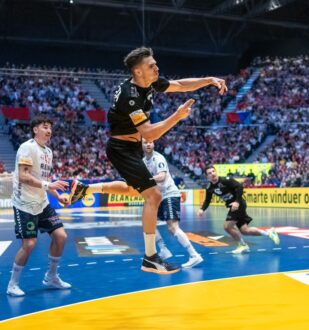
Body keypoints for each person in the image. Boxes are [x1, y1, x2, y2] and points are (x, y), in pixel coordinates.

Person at [69, 47, 227, 274]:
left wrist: (209, 80)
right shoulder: (129, 96)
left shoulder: (150, 83)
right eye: (151, 65)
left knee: (136, 191)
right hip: (121, 147)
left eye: (155, 63)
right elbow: (150, 134)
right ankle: (151, 257)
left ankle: (87, 189)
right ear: (138, 71)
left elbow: (181, 85)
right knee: (154, 195)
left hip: (132, 147)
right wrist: (177, 116)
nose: (156, 67)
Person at [7, 116, 72, 297]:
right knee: (29, 244)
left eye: (50, 127)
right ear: (35, 129)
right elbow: (24, 176)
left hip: (41, 202)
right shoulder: (27, 147)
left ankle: (51, 277)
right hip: (24, 203)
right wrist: (47, 186)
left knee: (61, 236)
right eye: (45, 127)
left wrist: (58, 196)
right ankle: (12, 284)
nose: (49, 131)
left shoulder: (49, 152)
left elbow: (44, 180)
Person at [142, 138, 203, 268]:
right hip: (158, 197)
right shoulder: (143, 162)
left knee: (173, 227)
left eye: (150, 142)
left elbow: (162, 176)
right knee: (149, 223)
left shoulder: (158, 158)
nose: (148, 144)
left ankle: (194, 255)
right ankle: (163, 249)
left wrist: (146, 180)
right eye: (145, 142)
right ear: (141, 145)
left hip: (169, 194)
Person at [197, 165, 279, 254]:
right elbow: (207, 200)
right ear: (207, 176)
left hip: (239, 205)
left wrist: (237, 202)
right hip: (233, 206)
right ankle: (269, 233)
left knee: (227, 226)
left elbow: (239, 187)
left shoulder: (225, 180)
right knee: (245, 230)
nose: (212, 174)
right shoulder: (209, 187)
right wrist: (202, 209)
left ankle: (243, 245)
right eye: (209, 173)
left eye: (213, 171)